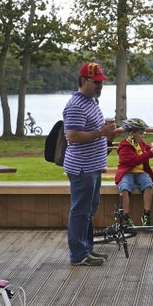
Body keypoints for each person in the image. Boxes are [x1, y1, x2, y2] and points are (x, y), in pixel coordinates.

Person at [62, 62, 115, 266]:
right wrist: (100, 133)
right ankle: (78, 255)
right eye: (96, 82)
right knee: (80, 211)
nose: (100, 86)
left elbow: (94, 132)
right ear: (84, 81)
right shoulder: (75, 105)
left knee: (89, 210)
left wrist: (106, 134)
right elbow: (73, 136)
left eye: (102, 82)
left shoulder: (91, 101)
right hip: (82, 167)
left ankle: (87, 249)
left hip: (92, 166)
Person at [115, 118, 153, 226]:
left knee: (148, 185)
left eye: (143, 133)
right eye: (141, 133)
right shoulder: (124, 146)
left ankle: (146, 213)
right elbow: (135, 160)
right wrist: (151, 152)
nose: (143, 136)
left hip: (140, 172)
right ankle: (126, 216)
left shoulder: (140, 143)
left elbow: (148, 150)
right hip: (127, 172)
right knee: (125, 188)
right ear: (131, 133)